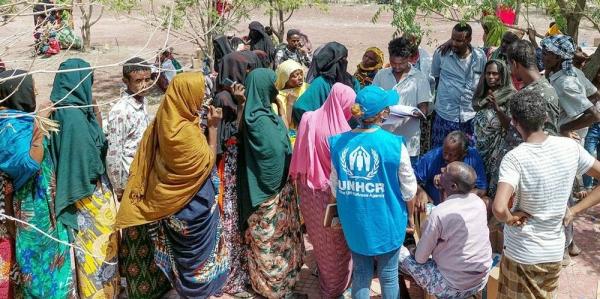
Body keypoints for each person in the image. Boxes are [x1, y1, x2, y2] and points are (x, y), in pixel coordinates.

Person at [116, 73, 228, 298]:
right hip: (194, 208)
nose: (203, 97)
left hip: (171, 207)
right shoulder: (185, 134)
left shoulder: (163, 122)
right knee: (199, 261)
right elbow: (206, 162)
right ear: (187, 96)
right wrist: (213, 129)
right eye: (199, 93)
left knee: (185, 261)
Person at [492, 89, 600, 298]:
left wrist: (511, 218)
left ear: (515, 122)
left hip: (522, 254)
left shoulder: (515, 159)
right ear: (546, 117)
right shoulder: (570, 147)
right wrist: (575, 210)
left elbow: (498, 208)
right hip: (553, 253)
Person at [329, 86, 417, 299]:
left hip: (354, 221)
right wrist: (411, 219)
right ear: (384, 114)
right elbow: (409, 188)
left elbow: (335, 186)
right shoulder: (394, 144)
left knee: (360, 273)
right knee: (388, 275)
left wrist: (335, 214)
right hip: (388, 221)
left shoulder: (338, 142)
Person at [48, 58, 120, 299]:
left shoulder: (70, 110)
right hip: (90, 198)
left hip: (89, 194)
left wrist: (94, 108)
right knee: (97, 259)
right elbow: (90, 162)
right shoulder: (73, 119)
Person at [0, 69, 75, 298]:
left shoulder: (17, 120)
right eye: (32, 88)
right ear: (18, 92)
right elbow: (30, 162)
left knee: (52, 253)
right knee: (38, 255)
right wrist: (39, 123)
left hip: (42, 197)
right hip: (31, 202)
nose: (36, 92)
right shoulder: (9, 127)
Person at [233, 68, 305, 299]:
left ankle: (270, 287)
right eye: (273, 84)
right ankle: (276, 290)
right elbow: (279, 151)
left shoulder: (259, 114)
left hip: (271, 192)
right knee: (272, 243)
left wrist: (284, 109)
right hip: (269, 194)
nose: (276, 87)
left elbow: (283, 137)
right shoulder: (261, 121)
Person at [106, 58, 171, 299]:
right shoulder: (121, 112)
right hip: (131, 184)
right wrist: (120, 188)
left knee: (151, 235)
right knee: (136, 238)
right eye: (137, 80)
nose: (144, 85)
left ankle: (156, 284)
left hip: (147, 180)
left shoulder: (142, 105)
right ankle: (140, 289)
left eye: (147, 79)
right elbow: (114, 154)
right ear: (125, 82)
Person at [289, 83, 355, 299]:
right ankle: (334, 287)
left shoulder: (308, 117)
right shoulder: (343, 132)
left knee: (318, 237)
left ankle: (325, 275)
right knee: (336, 242)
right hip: (331, 196)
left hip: (307, 189)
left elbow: (299, 151)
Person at [399, 162, 491, 299]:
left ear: (453, 186)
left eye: (445, 171)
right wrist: (443, 188)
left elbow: (420, 259)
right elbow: (450, 207)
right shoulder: (478, 203)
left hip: (450, 286)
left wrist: (412, 249)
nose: (441, 169)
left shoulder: (439, 214)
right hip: (479, 281)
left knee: (398, 254)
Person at [212, 51, 263, 298]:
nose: (250, 75)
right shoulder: (224, 98)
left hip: (237, 166)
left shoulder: (237, 95)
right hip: (228, 168)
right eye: (248, 70)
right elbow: (235, 135)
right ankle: (231, 280)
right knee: (230, 222)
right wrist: (241, 104)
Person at [489, 40, 560, 197]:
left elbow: (548, 139)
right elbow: (515, 129)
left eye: (509, 65)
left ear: (514, 63)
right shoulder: (524, 88)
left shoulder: (545, 93)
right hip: (512, 169)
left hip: (525, 176)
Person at [373, 37, 432, 165]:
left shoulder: (419, 78)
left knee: (407, 182)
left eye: (401, 63)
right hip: (384, 140)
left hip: (408, 143)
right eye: (394, 63)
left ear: (409, 58)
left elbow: (424, 110)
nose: (397, 67)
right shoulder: (381, 75)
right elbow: (374, 101)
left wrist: (411, 113)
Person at [431, 23, 487, 148]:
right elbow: (436, 79)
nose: (454, 43)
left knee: (468, 156)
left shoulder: (479, 56)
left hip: (470, 115)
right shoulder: (441, 54)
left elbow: (484, 82)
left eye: (459, 40)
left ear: (469, 40)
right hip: (445, 116)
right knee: (441, 155)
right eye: (453, 39)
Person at [472, 59, 516, 191]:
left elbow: (511, 126)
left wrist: (497, 109)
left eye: (495, 74)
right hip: (481, 149)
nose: (491, 77)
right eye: (488, 73)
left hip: (497, 151)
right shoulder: (481, 96)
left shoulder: (510, 96)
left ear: (503, 75)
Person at [292, 42, 360, 126]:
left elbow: (300, 108)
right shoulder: (352, 81)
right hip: (349, 131)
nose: (346, 61)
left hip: (326, 133)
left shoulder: (320, 82)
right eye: (344, 59)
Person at [414, 131, 487, 207]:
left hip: (462, 205)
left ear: (464, 154)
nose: (446, 157)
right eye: (445, 152)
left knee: (487, 202)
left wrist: (456, 197)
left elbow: (482, 190)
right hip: (433, 205)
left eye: (451, 155)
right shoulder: (432, 157)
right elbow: (409, 179)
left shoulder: (473, 158)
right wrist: (420, 192)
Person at [274, 59, 310, 144]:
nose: (300, 77)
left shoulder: (307, 89)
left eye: (301, 73)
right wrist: (290, 103)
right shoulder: (279, 97)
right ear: (285, 78)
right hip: (291, 139)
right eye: (296, 75)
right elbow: (286, 125)